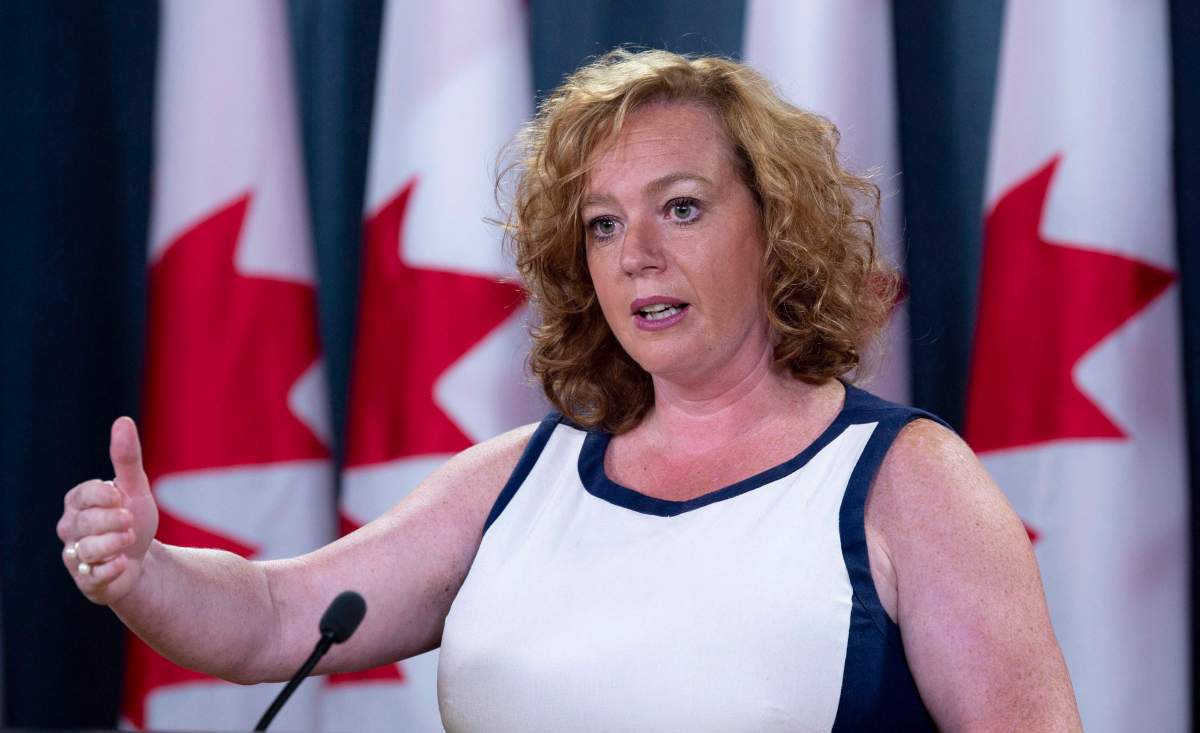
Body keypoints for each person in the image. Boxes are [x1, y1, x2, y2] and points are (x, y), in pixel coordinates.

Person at [58, 49, 1081, 731]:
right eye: (600, 223)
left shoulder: (909, 484)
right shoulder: (513, 484)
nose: (635, 254)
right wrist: (144, 570)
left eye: (679, 208)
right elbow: (278, 616)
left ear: (774, 227)